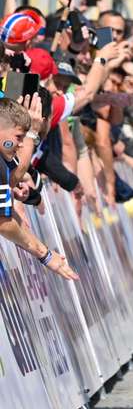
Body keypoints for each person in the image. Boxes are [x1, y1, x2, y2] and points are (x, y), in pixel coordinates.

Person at [0, 99, 78, 280]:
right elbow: (3, 223)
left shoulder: (5, 155)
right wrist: (45, 254)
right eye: (19, 137)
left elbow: (16, 176)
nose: (20, 144)